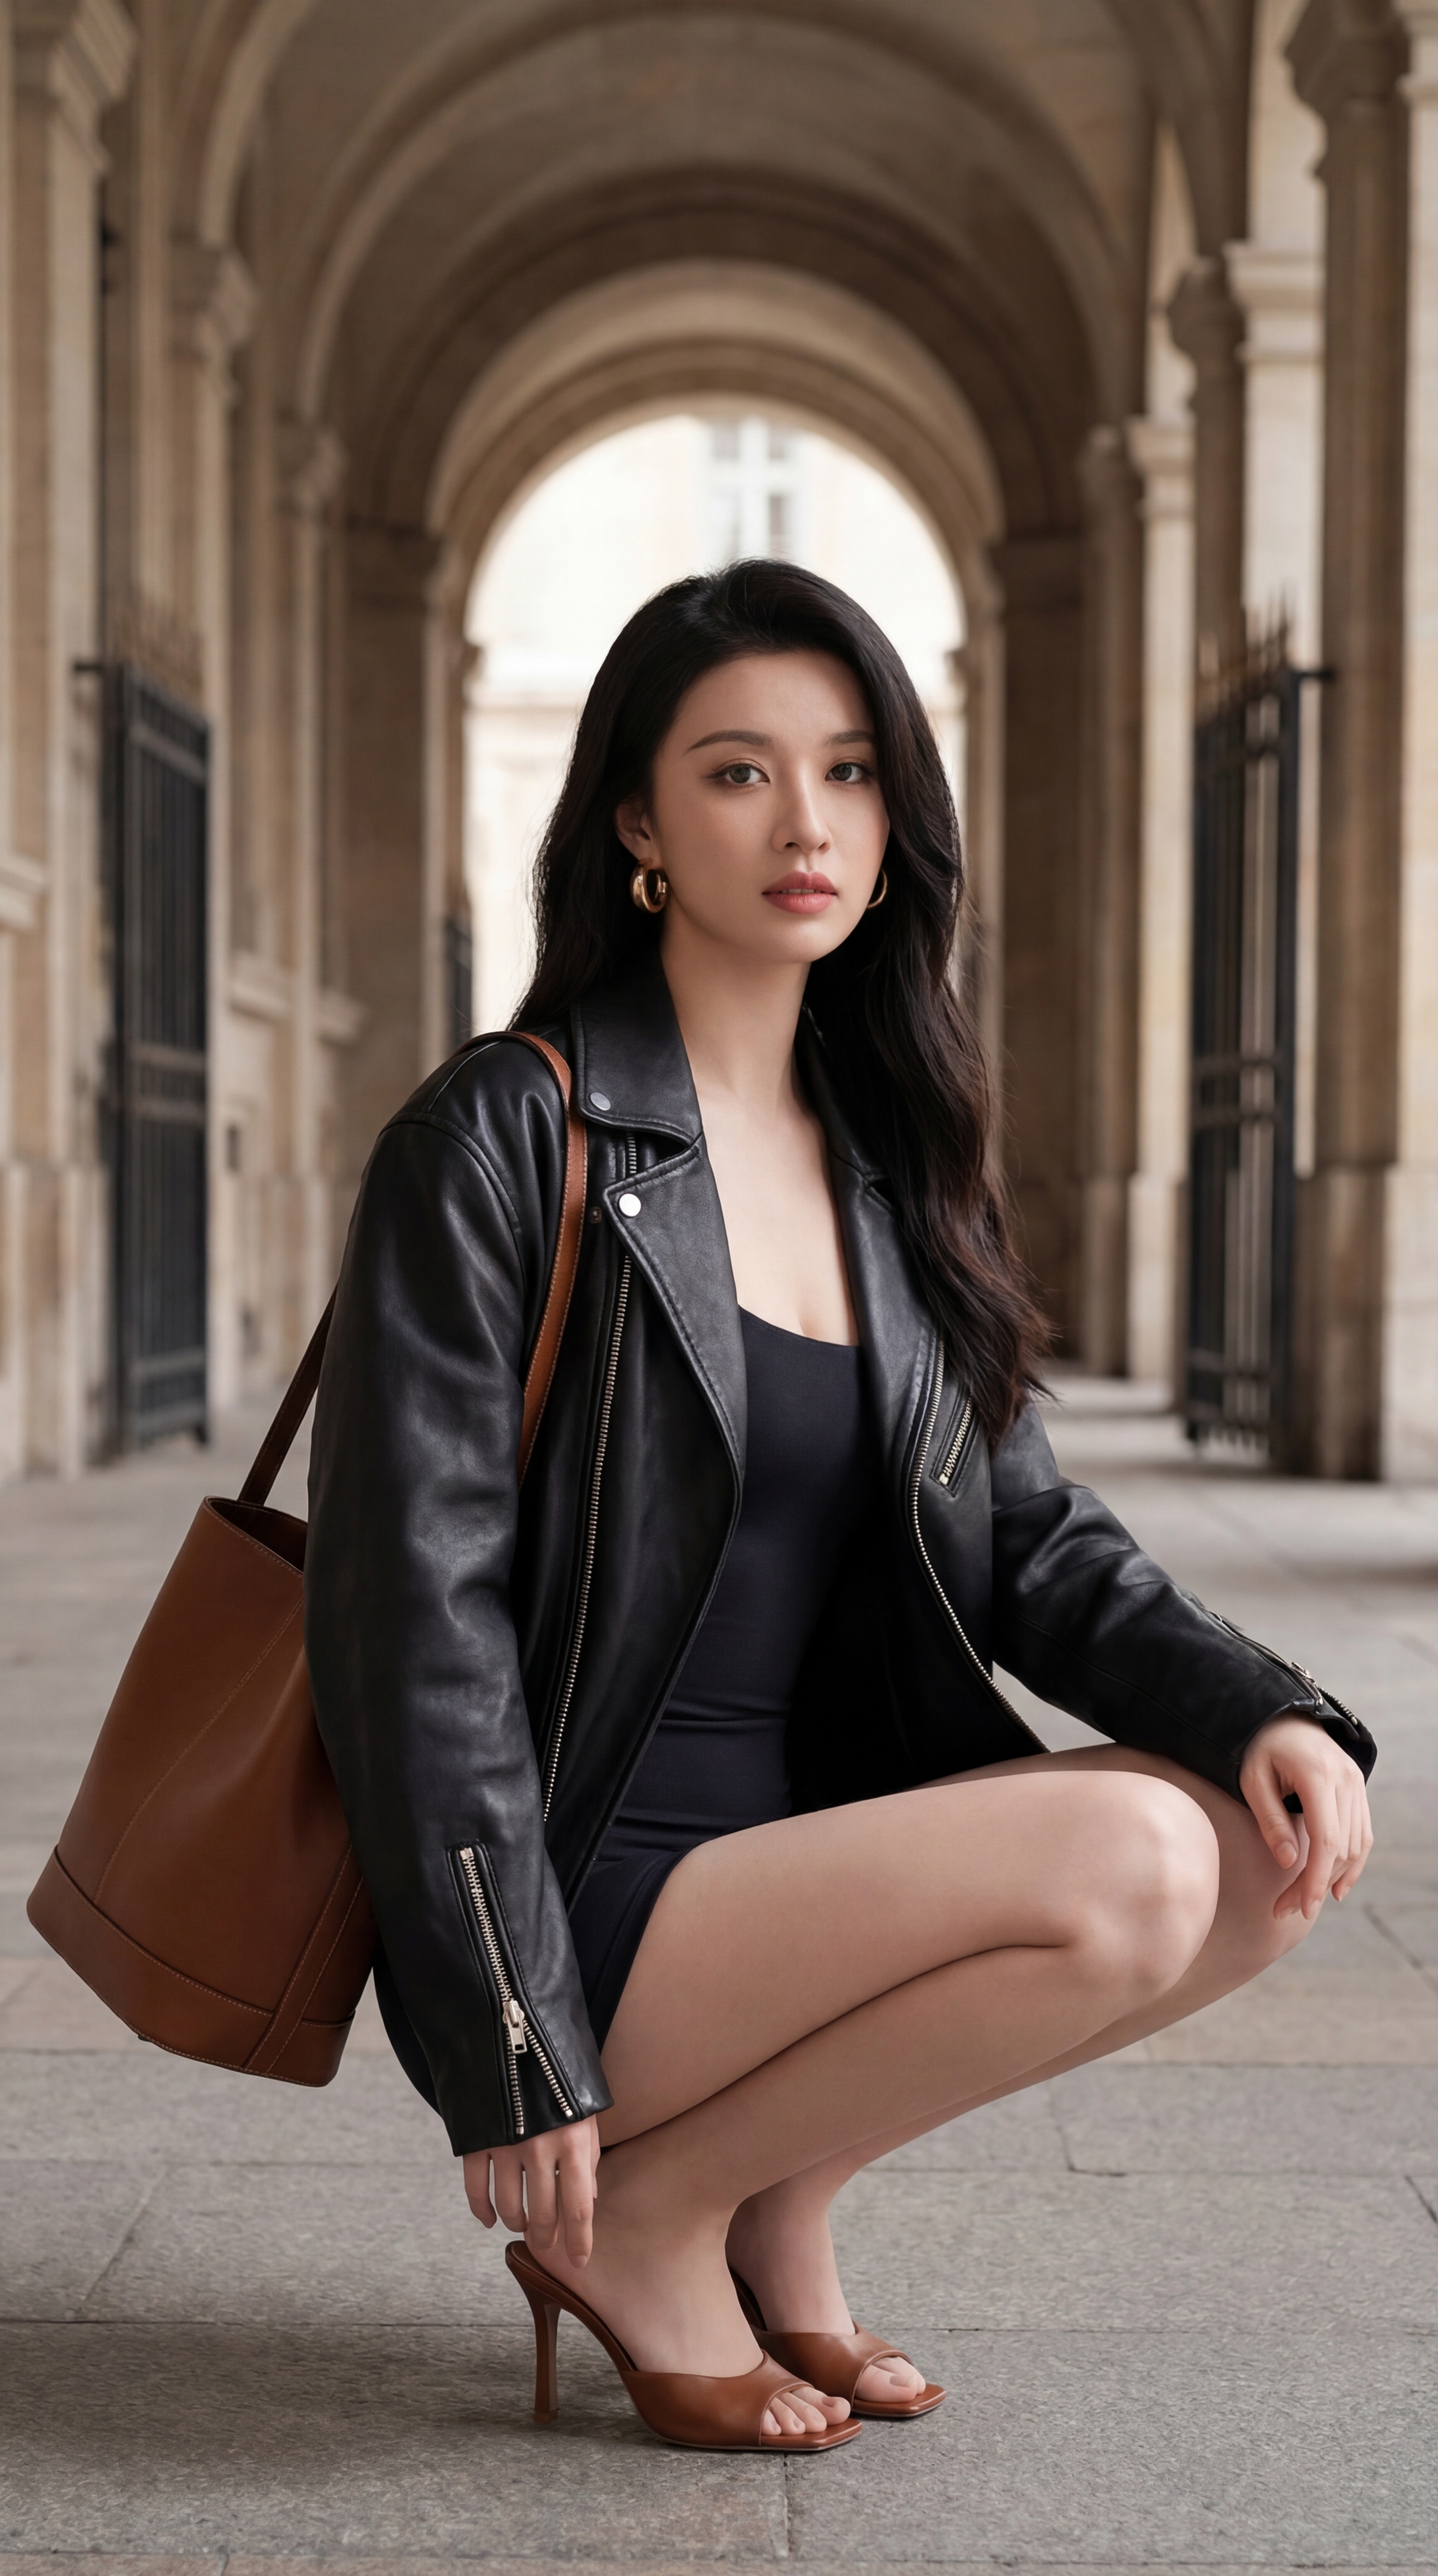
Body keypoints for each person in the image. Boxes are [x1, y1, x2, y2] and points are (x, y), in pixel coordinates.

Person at [305, 560, 1375, 2457]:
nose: (807, 821)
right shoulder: (502, 1135)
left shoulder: (893, 1153)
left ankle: (769, 2200)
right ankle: (647, 2220)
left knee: (1258, 1848)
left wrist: (1262, 1708)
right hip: (596, 1897)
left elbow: (1029, 1537)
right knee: (1139, 1860)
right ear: (638, 825)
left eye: (851, 769)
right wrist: (510, 2027)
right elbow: (414, 1620)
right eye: (738, 772)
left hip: (808, 1869)